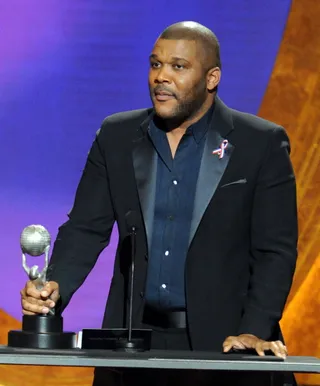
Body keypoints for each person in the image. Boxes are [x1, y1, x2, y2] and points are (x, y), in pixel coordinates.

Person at [20, 21, 298, 386]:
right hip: (133, 345)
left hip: (225, 346)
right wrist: (55, 287)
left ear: (212, 78)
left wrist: (254, 330)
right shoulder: (116, 136)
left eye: (178, 67)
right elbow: (86, 229)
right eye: (155, 64)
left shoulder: (260, 143)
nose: (161, 77)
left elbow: (275, 251)